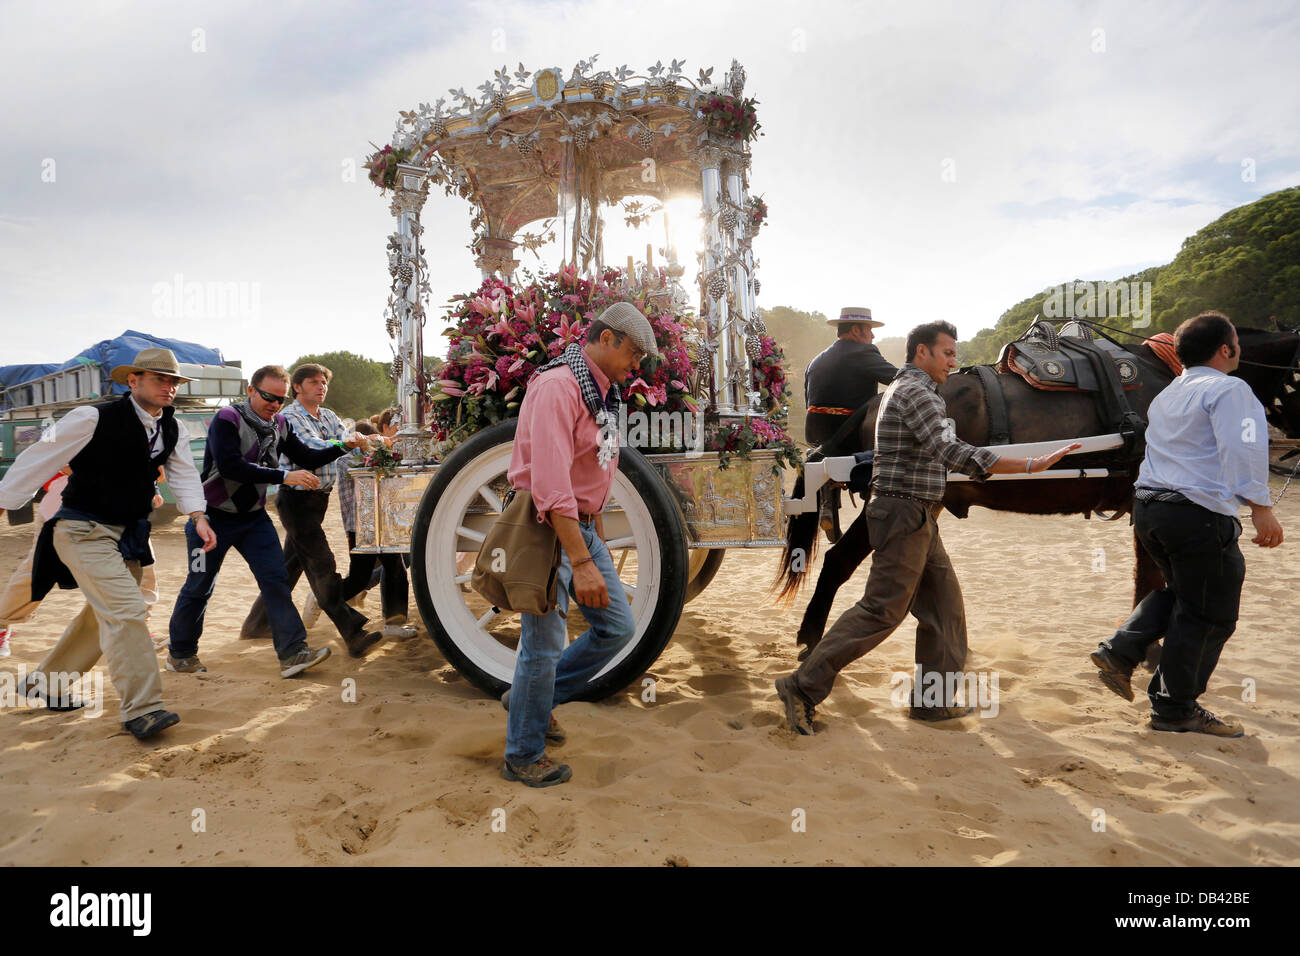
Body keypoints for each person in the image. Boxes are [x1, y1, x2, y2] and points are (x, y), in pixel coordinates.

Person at [774, 321, 1080, 734]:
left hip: (917, 515)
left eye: (955, 354)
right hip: (904, 515)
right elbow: (950, 450)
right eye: (948, 353)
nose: (954, 362)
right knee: (881, 611)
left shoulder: (912, 390)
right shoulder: (917, 393)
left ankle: (931, 702)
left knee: (945, 610)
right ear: (921, 352)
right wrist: (1027, 465)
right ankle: (802, 686)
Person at [0, 348, 214, 739]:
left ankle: (43, 684)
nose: (169, 387)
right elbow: (39, 456)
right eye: (159, 378)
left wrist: (198, 516)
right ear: (132, 381)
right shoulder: (91, 416)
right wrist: (2, 503)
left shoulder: (173, 428)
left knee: (102, 616)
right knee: (128, 611)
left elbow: (183, 475)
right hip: (81, 530)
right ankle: (143, 710)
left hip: (129, 535)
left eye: (173, 381)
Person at [1089, 311, 1281, 737]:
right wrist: (1261, 507)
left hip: (1151, 508)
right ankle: (1175, 709)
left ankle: (1121, 650)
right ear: (1226, 350)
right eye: (1236, 344)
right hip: (1196, 513)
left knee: (1183, 594)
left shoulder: (1169, 394)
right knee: (1210, 614)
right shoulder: (1231, 389)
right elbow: (1242, 448)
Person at [499, 302, 651, 787]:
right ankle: (523, 753)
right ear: (606, 339)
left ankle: (532, 701)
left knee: (618, 628)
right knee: (542, 647)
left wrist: (595, 538)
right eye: (634, 351)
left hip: (582, 526)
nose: (638, 364)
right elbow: (550, 484)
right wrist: (581, 559)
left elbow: (593, 471)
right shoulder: (558, 387)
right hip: (548, 528)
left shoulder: (600, 393)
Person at [167, 365, 352, 678]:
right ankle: (181, 653)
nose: (274, 404)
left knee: (276, 581)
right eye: (268, 396)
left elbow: (307, 456)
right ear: (251, 390)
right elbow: (230, 466)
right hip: (211, 518)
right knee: (200, 586)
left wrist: (344, 445)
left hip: (253, 519)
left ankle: (293, 653)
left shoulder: (280, 423)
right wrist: (283, 475)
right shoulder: (228, 419)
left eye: (279, 399)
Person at [238, 363, 381, 655]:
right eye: (314, 382)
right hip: (295, 500)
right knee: (322, 565)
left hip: (318, 501)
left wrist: (366, 443)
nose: (321, 387)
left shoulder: (328, 416)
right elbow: (314, 449)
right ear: (297, 387)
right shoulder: (289, 417)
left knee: (288, 567)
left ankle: (256, 624)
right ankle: (353, 634)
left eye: (324, 382)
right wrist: (350, 442)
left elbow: (350, 444)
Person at [804, 306, 899, 542]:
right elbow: (898, 379)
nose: (873, 336)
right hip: (849, 434)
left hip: (815, 433)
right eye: (869, 330)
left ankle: (828, 496)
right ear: (856, 330)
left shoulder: (817, 359)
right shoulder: (861, 352)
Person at [335, 419, 409, 632]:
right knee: (359, 579)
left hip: (384, 524)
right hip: (359, 528)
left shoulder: (378, 457)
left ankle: (394, 624)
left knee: (397, 571)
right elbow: (365, 469)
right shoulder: (344, 460)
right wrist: (380, 451)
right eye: (367, 441)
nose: (370, 445)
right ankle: (323, 598)